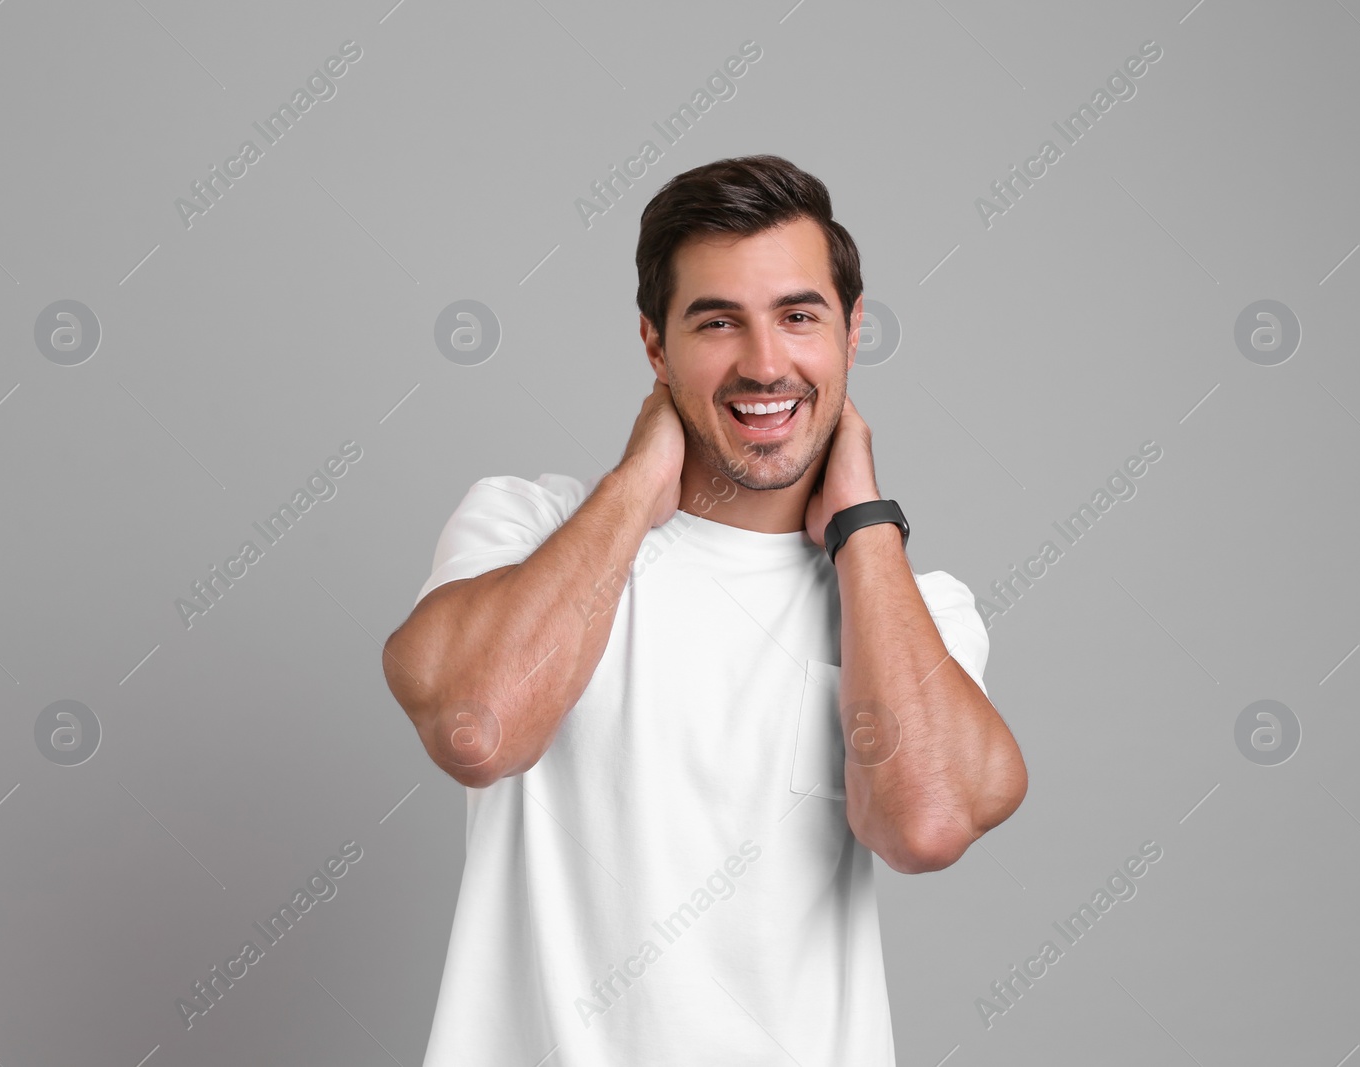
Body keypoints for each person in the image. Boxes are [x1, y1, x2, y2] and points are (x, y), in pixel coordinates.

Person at [382, 153, 1028, 1065]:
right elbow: (475, 730)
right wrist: (640, 482)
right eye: (718, 321)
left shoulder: (910, 607)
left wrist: (865, 524)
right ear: (655, 346)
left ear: (851, 331)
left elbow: (924, 825)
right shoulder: (524, 526)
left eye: (800, 317)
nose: (765, 364)